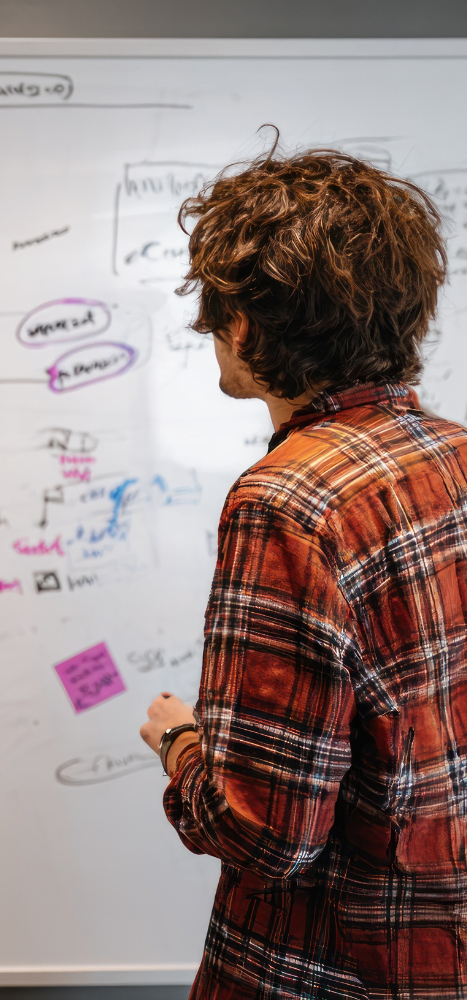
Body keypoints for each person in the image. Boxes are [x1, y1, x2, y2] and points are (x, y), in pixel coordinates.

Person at [139, 148, 465, 998]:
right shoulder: (457, 456)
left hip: (326, 965)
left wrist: (181, 745)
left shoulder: (288, 502)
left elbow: (268, 836)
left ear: (245, 324)